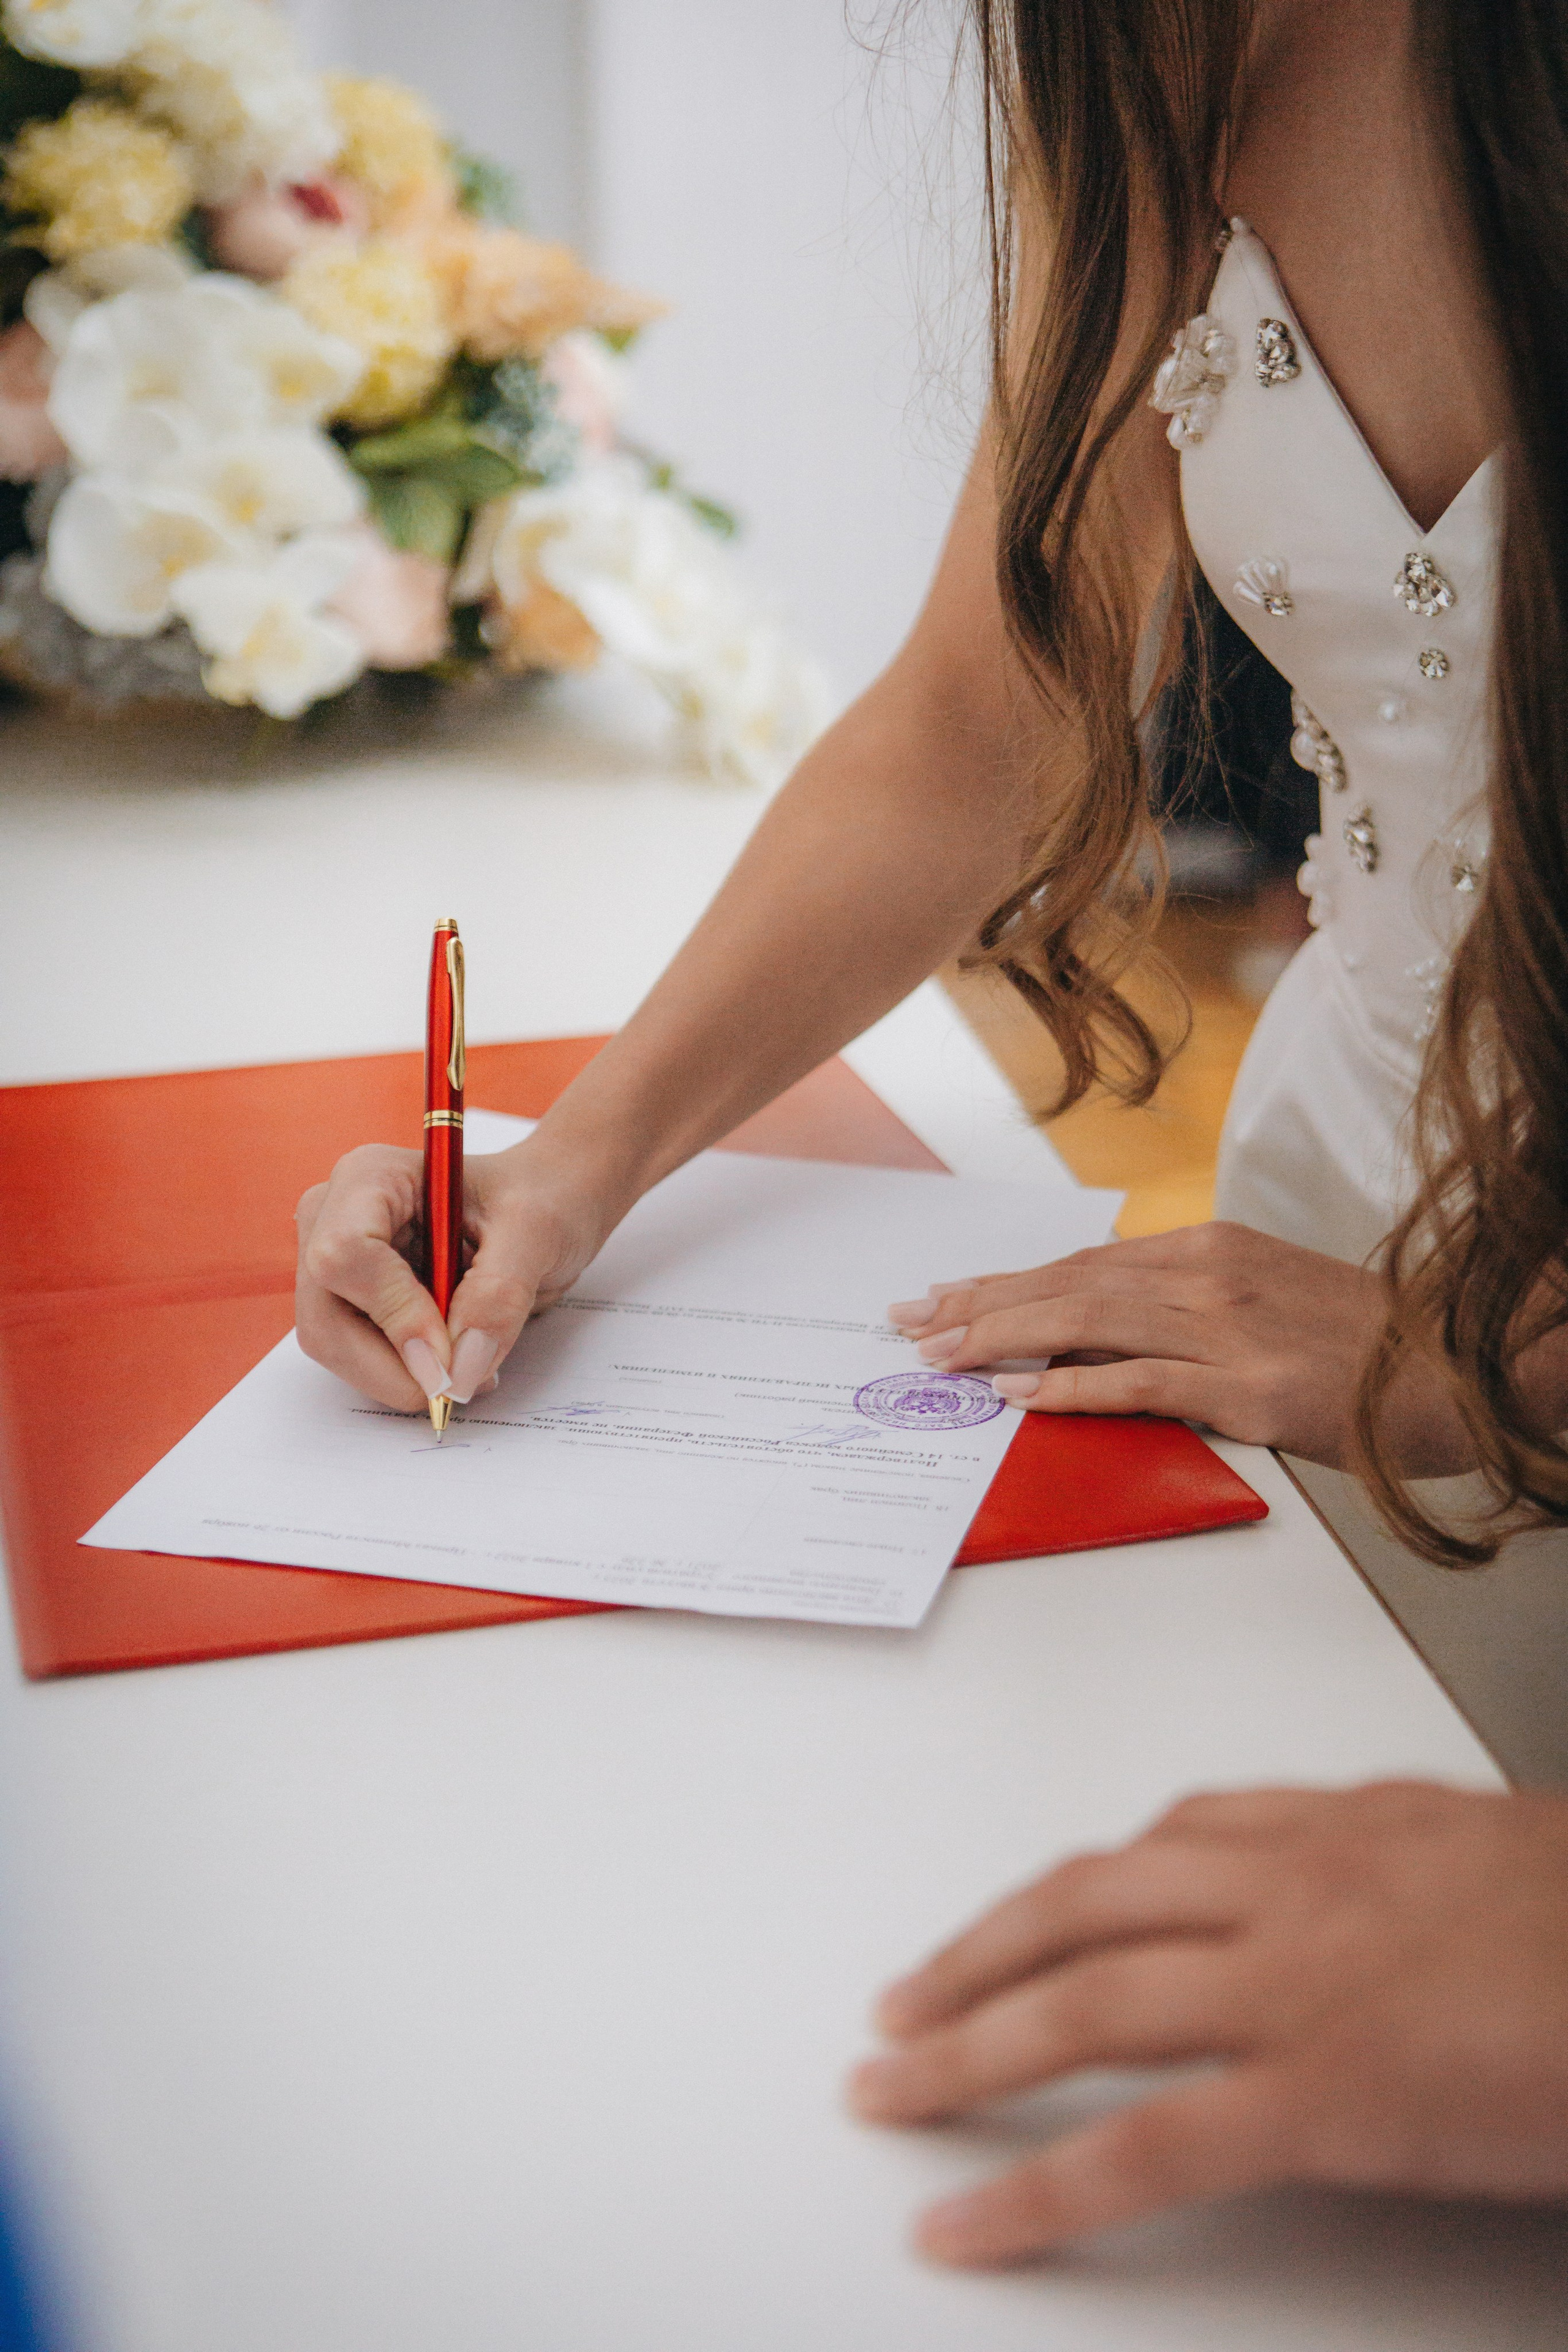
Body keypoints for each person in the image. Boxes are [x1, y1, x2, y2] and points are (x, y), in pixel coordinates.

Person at [293, 0, 1568, 2263]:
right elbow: (992, 699)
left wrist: (1489, 1371)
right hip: (1310, 1249)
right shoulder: (1151, 46)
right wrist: (571, 1174)